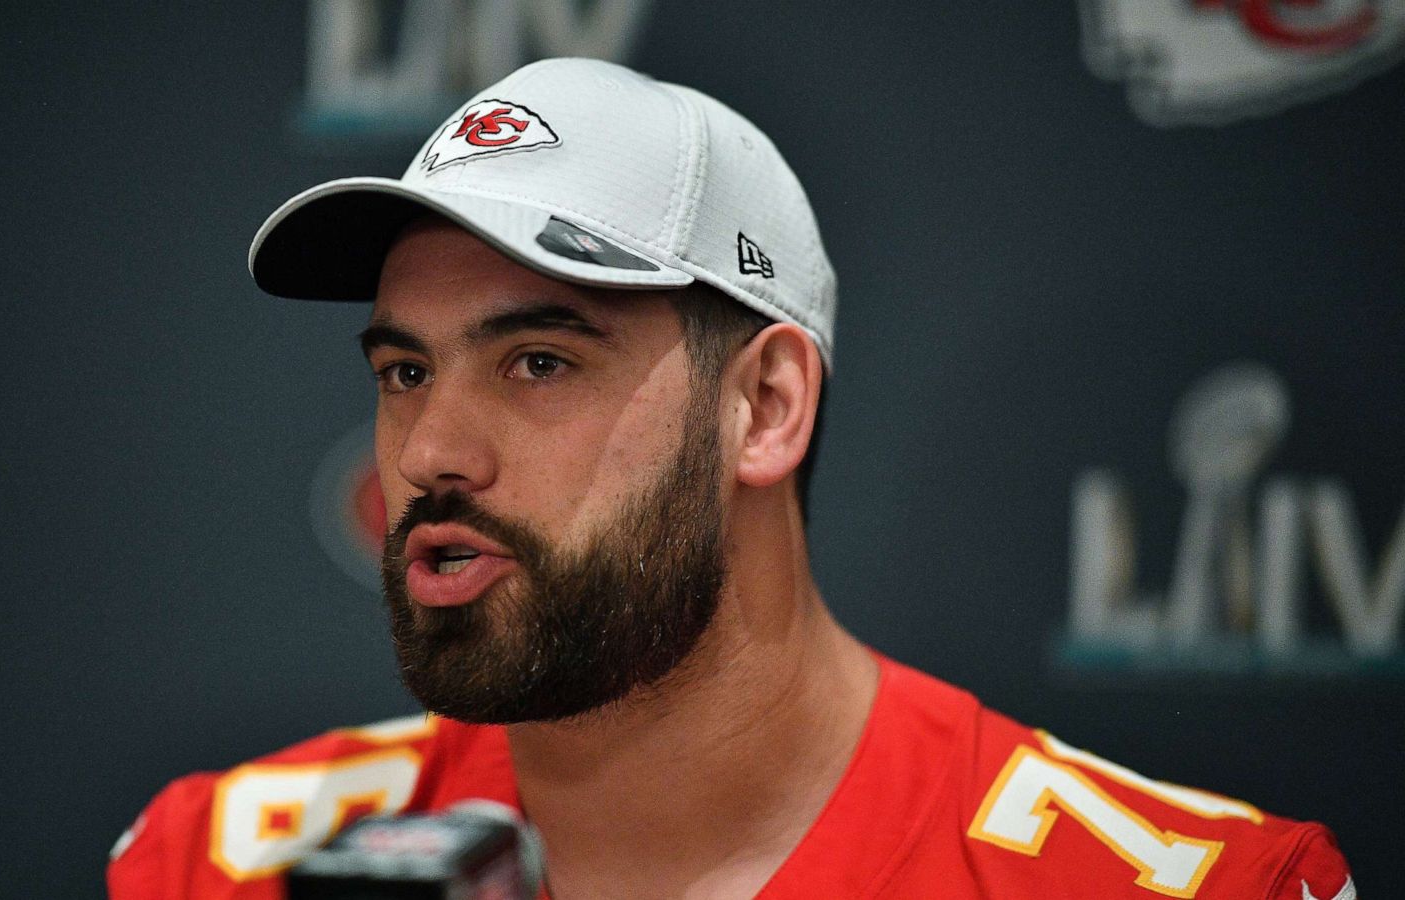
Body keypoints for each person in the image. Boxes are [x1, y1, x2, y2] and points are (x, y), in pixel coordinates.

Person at [107, 58, 1354, 899]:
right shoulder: (217, 865)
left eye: (537, 362)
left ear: (764, 406)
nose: (431, 451)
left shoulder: (1187, 887)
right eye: (403, 372)